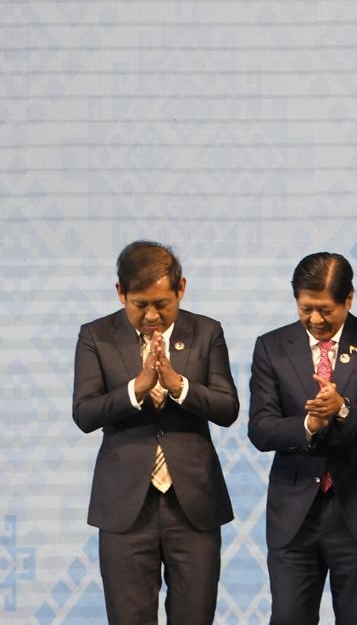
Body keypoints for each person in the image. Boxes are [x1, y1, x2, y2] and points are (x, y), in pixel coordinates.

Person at [72, 240, 240, 625]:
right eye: (139, 304)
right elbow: (84, 413)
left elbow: (227, 408)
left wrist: (178, 384)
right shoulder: (95, 336)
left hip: (193, 506)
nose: (152, 315)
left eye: (162, 304)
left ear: (181, 288)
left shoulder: (207, 332)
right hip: (124, 510)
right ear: (120, 293)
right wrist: (137, 388)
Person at [247, 252, 357, 625]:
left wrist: (343, 408)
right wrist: (309, 425)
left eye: (325, 310)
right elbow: (261, 428)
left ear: (349, 299)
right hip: (294, 516)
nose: (315, 320)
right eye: (305, 309)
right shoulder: (271, 346)